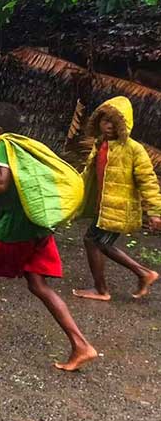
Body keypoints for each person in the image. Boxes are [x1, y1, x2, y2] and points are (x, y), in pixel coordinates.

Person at [0, 103, 97, 372]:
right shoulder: (19, 145)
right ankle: (81, 344)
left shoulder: (3, 144)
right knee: (38, 284)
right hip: (36, 223)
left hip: (17, 225)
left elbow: (1, 183)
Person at [72, 97, 161, 301]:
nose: (109, 126)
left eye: (114, 122)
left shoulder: (133, 149)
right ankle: (139, 275)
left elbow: (148, 180)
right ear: (98, 122)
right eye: (105, 121)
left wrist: (155, 212)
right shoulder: (100, 144)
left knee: (94, 241)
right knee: (96, 242)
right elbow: (89, 174)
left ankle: (106, 288)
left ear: (124, 124)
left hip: (119, 208)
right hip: (103, 207)